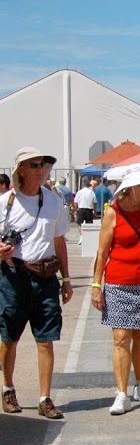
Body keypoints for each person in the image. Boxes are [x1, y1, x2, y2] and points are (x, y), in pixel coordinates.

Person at [90, 164, 140, 415]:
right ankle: (122, 392)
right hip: (118, 282)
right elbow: (102, 252)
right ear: (130, 188)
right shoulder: (113, 213)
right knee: (120, 337)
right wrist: (96, 285)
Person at [1, 147, 73, 419]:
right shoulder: (6, 202)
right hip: (14, 275)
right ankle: (8, 388)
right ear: (21, 169)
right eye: (33, 165)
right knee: (9, 337)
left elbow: (59, 241)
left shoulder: (54, 201)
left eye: (43, 164)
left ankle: (45, 398)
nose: (40, 169)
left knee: (46, 339)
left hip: (45, 276)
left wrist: (66, 279)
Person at [73, 179, 97, 243]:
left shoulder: (79, 192)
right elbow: (95, 203)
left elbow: (75, 202)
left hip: (81, 209)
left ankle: (82, 236)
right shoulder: (91, 192)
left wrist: (75, 210)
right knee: (89, 224)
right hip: (89, 210)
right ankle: (87, 237)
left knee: (79, 223)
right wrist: (94, 211)